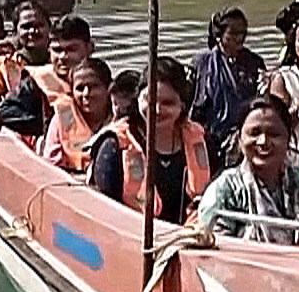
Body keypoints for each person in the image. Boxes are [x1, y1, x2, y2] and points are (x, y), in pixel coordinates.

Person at [197, 95, 299, 244]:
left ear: (288, 139)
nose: (263, 142)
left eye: (274, 134)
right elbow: (211, 242)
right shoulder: (226, 189)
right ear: (240, 139)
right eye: (254, 133)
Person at [89, 57, 211, 224]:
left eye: (167, 103)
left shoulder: (204, 141)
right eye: (150, 100)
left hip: (189, 234)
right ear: (138, 98)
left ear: (182, 105)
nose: (157, 110)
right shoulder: (114, 147)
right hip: (130, 230)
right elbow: (103, 208)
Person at [0, 13, 93, 138]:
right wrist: (48, 124)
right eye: (57, 50)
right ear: (49, 50)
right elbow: (4, 113)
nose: (63, 57)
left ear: (90, 48)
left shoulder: (100, 79)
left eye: (71, 49)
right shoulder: (37, 82)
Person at [190, 6, 266, 163]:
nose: (240, 38)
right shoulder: (202, 63)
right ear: (220, 35)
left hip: (244, 133)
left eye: (243, 33)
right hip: (211, 134)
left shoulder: (254, 62)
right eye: (234, 33)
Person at [40, 56, 114, 172]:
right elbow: (50, 162)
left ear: (108, 88)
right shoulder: (63, 118)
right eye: (80, 88)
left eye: (93, 87)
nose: (86, 94)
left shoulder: (120, 119)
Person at [0, 0, 51, 100]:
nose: (33, 31)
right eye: (26, 27)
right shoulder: (5, 65)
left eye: (39, 25)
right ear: (16, 32)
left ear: (49, 28)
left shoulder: (62, 63)